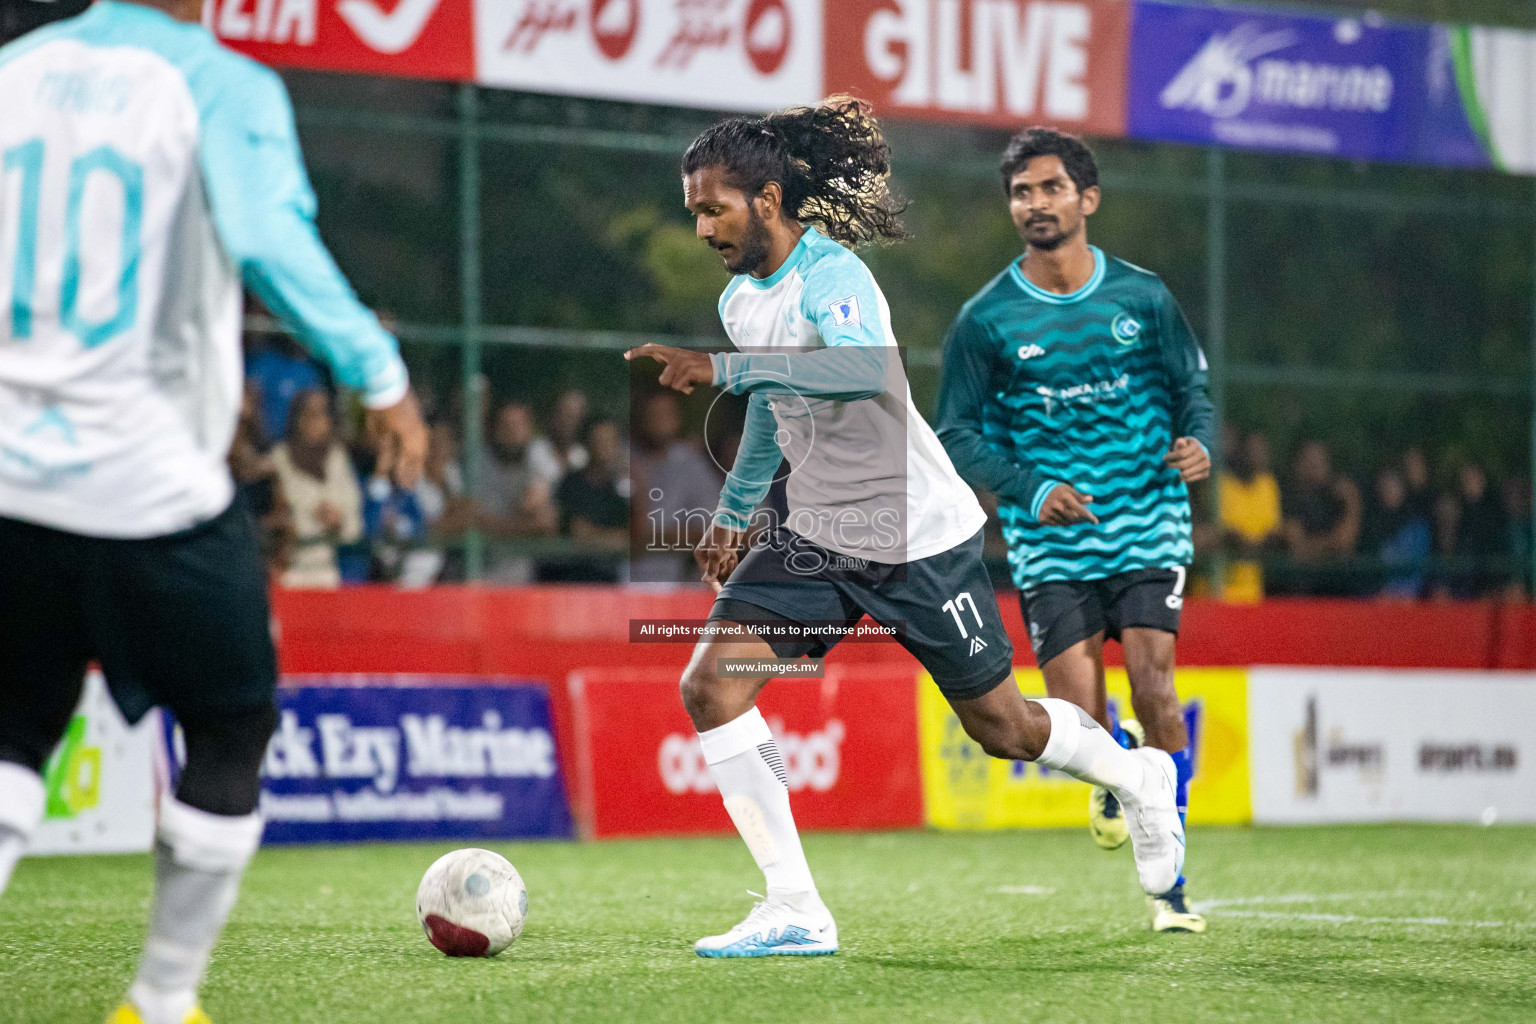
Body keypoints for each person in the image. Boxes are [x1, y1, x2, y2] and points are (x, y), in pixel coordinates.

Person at [625, 98, 1184, 958]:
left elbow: (854, 372)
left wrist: (724, 369)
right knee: (711, 687)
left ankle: (1135, 774)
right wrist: (737, 512)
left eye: (714, 207)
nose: (702, 226)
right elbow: (777, 409)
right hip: (813, 538)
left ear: (767, 199)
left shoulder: (834, 275)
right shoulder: (743, 299)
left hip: (917, 534)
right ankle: (797, 909)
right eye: (694, 210)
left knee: (1003, 729)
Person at [0, 4, 427, 1023]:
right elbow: (270, 235)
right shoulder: (220, 84)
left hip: (10, 480)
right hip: (152, 487)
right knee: (232, 724)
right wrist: (381, 373)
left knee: (12, 732)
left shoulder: (13, 68)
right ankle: (161, 998)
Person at [933, 127, 1213, 934]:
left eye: (1051, 188)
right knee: (1076, 712)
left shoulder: (1143, 297)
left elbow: (1192, 388)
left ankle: (1173, 880)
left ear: (1087, 199)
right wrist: (1031, 486)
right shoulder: (985, 320)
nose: (1035, 203)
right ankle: (1118, 771)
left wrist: (1200, 443)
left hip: (1148, 516)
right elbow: (954, 432)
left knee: (1157, 682)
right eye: (1022, 192)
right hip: (1050, 538)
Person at [271, 390, 364, 588]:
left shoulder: (337, 458)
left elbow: (354, 519)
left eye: (321, 413)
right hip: (287, 571)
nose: (314, 420)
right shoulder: (278, 458)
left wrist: (338, 519)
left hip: (326, 571)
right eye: (308, 413)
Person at [628, 391, 723, 582]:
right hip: (622, 578)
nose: (660, 421)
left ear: (678, 419)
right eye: (653, 415)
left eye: (666, 414)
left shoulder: (691, 464)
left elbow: (714, 530)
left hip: (678, 580)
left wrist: (650, 538)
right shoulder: (626, 459)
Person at [473, 400, 559, 583]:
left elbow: (540, 518)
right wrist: (522, 525)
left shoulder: (539, 452)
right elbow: (471, 520)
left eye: (518, 425)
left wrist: (494, 525)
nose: (512, 432)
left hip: (530, 572)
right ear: (494, 429)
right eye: (505, 425)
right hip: (483, 570)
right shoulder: (478, 460)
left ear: (530, 428)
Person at [1281, 441, 1362, 595]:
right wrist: (1332, 543)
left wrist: (1353, 499)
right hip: (1304, 591)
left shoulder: (1338, 498)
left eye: (1319, 461)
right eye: (1309, 461)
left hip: (1340, 590)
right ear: (1299, 465)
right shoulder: (1291, 500)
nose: (1314, 468)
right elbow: (1297, 548)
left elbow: (1346, 540)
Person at [1218, 429, 1282, 603]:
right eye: (1252, 450)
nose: (1257, 455)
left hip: (1255, 593)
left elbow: (1273, 531)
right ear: (1242, 451)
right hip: (1216, 591)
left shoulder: (1268, 485)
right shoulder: (1220, 484)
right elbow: (1222, 533)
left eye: (1262, 450)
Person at [1358, 465, 1431, 599]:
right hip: (1375, 600)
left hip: (1410, 600)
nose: (1388, 490)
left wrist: (1402, 593)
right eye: (1384, 485)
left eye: (1393, 485)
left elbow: (1419, 568)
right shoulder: (1369, 526)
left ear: (1403, 488)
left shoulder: (1417, 527)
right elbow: (1364, 568)